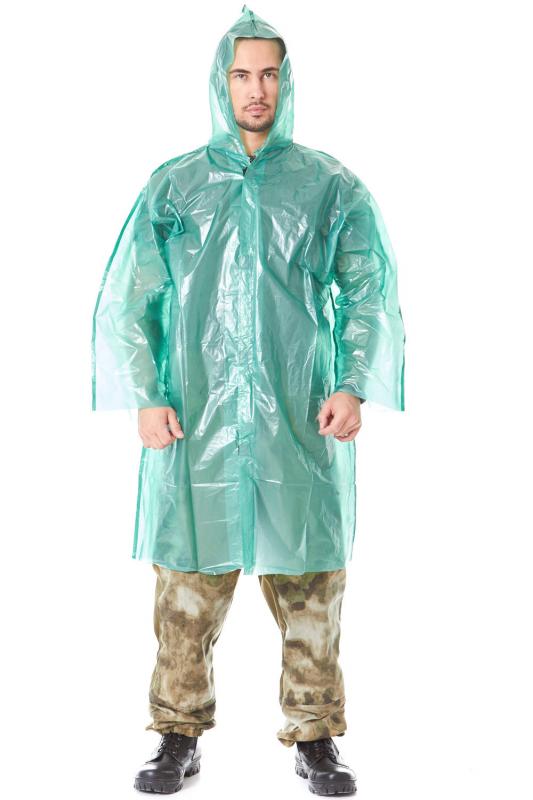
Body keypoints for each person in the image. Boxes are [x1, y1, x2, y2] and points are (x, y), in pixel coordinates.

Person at [91, 4, 405, 796]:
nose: (255, 89)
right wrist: (146, 395)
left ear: (286, 82)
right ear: (220, 83)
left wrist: (351, 382)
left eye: (268, 74)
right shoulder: (175, 185)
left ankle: (316, 737)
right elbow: (132, 297)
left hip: (298, 418)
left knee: (310, 586)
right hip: (196, 418)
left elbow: (366, 291)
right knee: (185, 589)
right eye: (241, 74)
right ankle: (176, 735)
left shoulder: (327, 185)